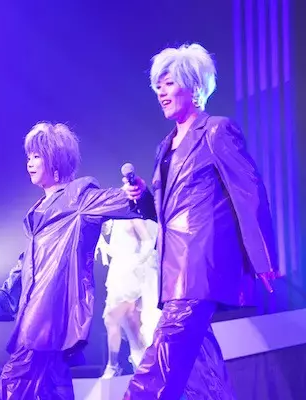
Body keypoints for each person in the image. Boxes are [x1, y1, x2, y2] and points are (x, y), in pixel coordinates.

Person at [121, 43, 278, 399]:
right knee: (202, 375)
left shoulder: (216, 131)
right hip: (171, 272)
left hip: (198, 268)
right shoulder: (165, 147)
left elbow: (249, 192)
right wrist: (143, 198)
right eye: (157, 85)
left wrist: (264, 259)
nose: (161, 92)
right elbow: (166, 210)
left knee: (158, 369)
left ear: (192, 87)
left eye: (169, 83)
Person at [0, 122, 155, 400]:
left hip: (48, 312)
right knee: (53, 387)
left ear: (55, 160)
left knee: (16, 380)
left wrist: (136, 195)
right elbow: (24, 268)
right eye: (29, 156)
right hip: (40, 314)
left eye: (37, 156)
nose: (30, 163)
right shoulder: (37, 212)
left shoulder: (78, 198)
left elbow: (125, 202)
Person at [96, 218, 161, 378]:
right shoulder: (113, 223)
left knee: (112, 318)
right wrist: (105, 246)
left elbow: (148, 241)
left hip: (131, 275)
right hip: (118, 274)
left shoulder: (133, 219)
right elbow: (118, 250)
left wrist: (137, 262)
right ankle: (142, 363)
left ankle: (113, 366)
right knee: (131, 323)